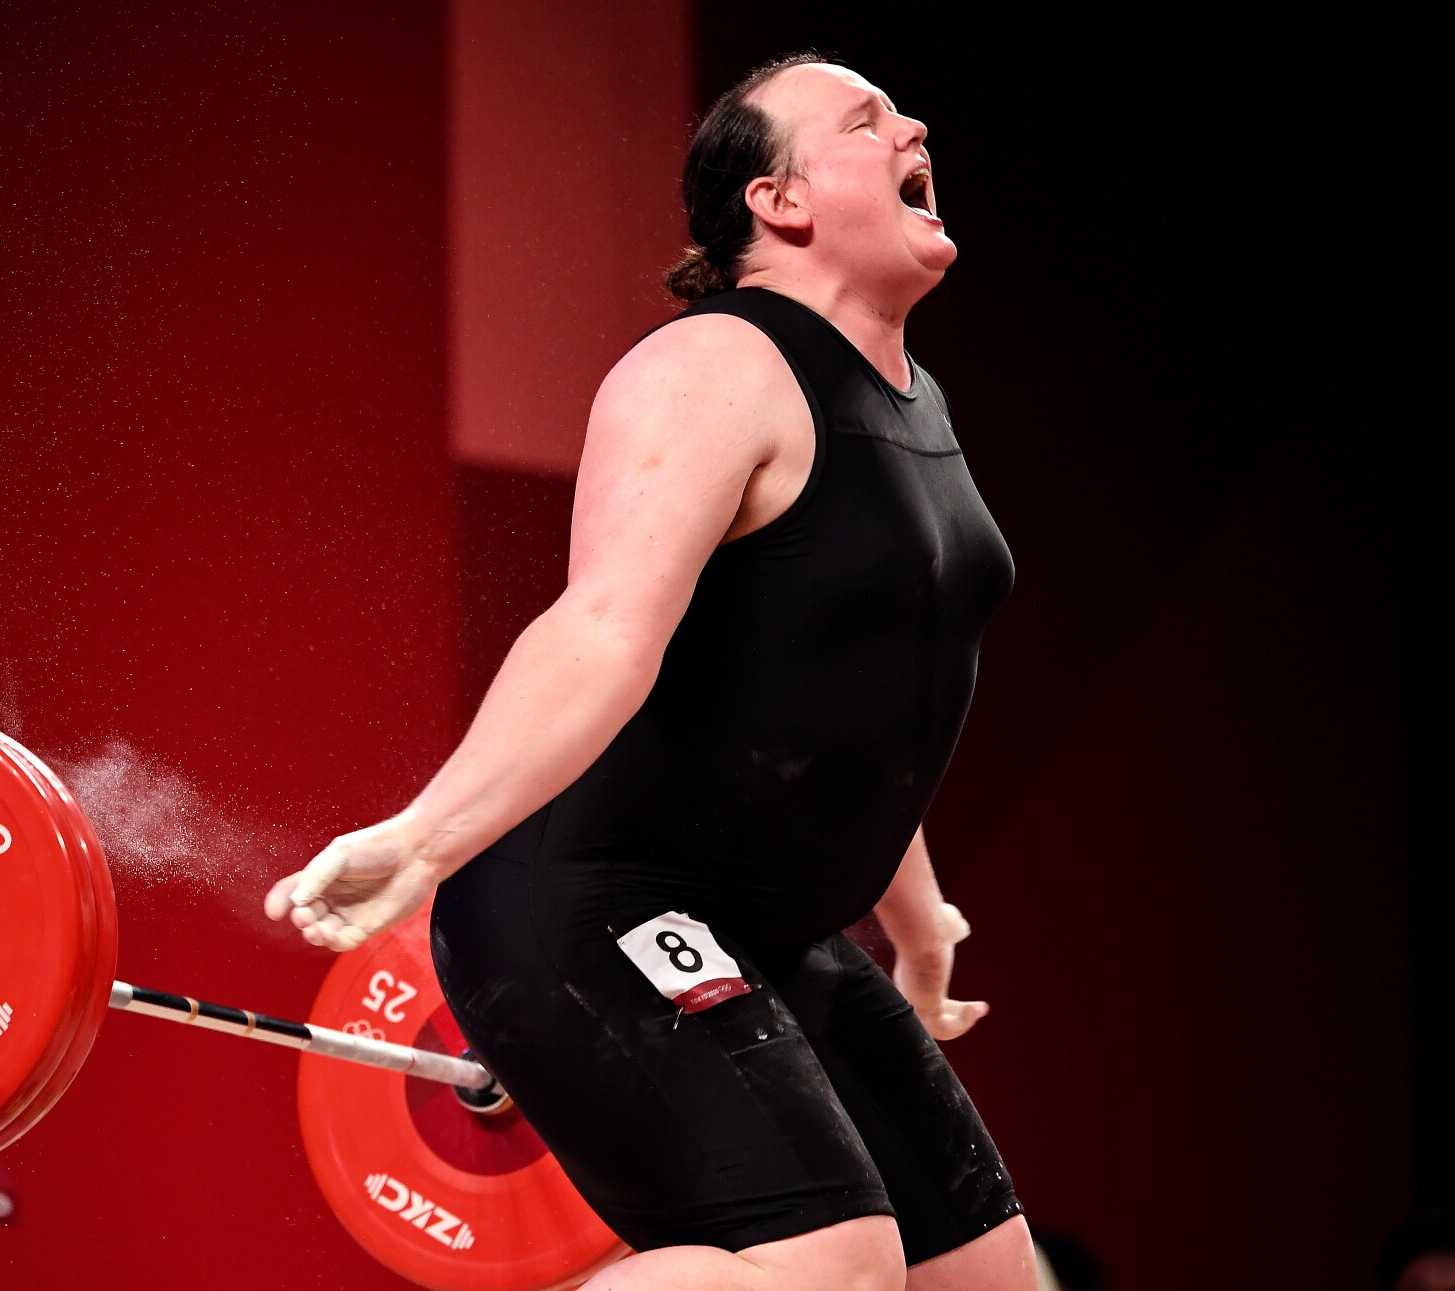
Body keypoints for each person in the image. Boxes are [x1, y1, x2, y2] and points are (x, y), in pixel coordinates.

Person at [268, 53, 1033, 1290]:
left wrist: (920, 926)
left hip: (771, 927)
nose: (913, 128)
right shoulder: (712, 366)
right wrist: (425, 835)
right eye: (865, 121)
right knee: (830, 1268)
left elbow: (858, 716)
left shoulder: (913, 402)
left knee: (981, 1275)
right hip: (595, 897)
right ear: (777, 201)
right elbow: (602, 627)